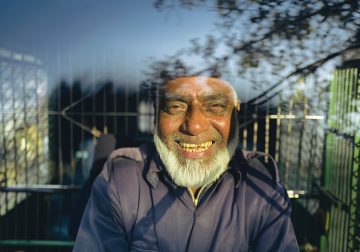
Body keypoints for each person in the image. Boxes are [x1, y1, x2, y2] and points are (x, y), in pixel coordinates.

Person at [73, 76, 299, 251]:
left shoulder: (261, 186)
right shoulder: (121, 182)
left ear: (235, 114)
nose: (194, 125)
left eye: (215, 106)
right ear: (156, 114)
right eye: (176, 107)